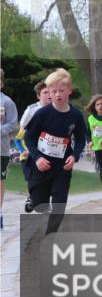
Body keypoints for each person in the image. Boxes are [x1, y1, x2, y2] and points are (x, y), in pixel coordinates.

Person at [23, 68, 87, 234]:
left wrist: (74, 156)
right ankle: (33, 199)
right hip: (42, 164)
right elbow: (29, 137)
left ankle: (50, 235)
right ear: (49, 93)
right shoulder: (42, 113)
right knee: (39, 205)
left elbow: (80, 139)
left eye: (61, 90)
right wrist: (37, 158)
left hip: (62, 166)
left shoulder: (76, 115)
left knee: (60, 203)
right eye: (53, 91)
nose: (58, 94)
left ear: (69, 91)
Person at [18, 81, 51, 211]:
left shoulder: (57, 108)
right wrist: (24, 150)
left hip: (47, 152)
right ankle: (33, 198)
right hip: (30, 154)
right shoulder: (32, 110)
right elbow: (21, 133)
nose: (49, 95)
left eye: (50, 92)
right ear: (38, 96)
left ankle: (43, 202)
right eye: (45, 92)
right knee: (33, 180)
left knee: (47, 179)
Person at [84, 94, 102, 202]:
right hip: (97, 147)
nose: (100, 106)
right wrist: (89, 141)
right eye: (97, 104)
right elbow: (87, 133)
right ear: (94, 107)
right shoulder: (91, 118)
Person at [0, 69, 18, 229]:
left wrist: (0, 130)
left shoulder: (7, 102)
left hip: (1, 149)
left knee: (0, 181)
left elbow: (13, 123)